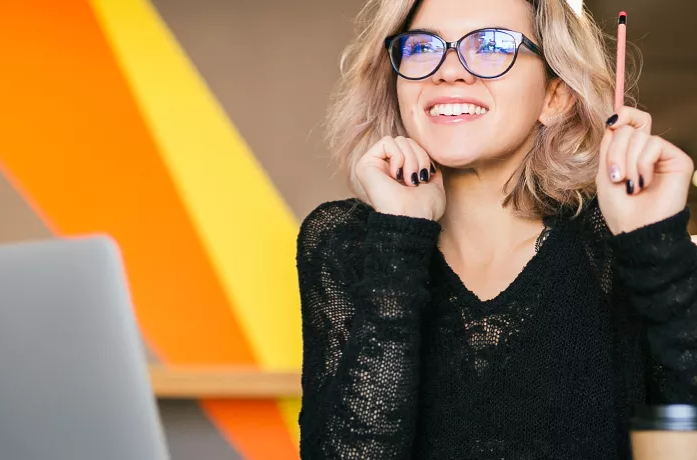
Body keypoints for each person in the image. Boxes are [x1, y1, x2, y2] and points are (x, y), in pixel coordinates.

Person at [295, 0, 697, 458]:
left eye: (491, 44)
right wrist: (399, 237)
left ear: (555, 95)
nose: (448, 71)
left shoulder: (615, 245)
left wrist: (655, 245)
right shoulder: (345, 243)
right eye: (423, 46)